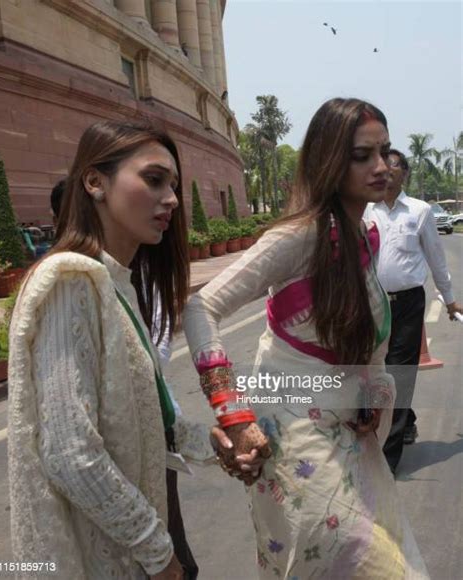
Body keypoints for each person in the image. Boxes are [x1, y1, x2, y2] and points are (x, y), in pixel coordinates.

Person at [183, 98, 430, 578]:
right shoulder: (298, 237)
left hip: (350, 439)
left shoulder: (363, 235)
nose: (382, 168)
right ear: (329, 161)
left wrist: (371, 394)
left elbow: (362, 350)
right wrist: (231, 415)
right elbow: (201, 306)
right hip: (297, 441)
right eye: (363, 156)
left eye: (385, 152)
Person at [8, 120, 195, 579]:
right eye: (153, 180)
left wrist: (211, 442)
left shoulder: (114, 281)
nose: (170, 199)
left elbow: (140, 412)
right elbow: (72, 454)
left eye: (172, 185)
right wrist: (158, 552)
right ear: (95, 182)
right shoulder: (70, 281)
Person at [365, 149, 463, 473]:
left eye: (392, 167)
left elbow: (436, 257)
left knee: (400, 374)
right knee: (376, 371)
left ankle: (388, 459)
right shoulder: (366, 210)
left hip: (408, 303)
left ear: (403, 173)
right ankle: (406, 422)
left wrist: (448, 300)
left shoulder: (419, 211)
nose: (385, 172)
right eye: (381, 166)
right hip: (373, 302)